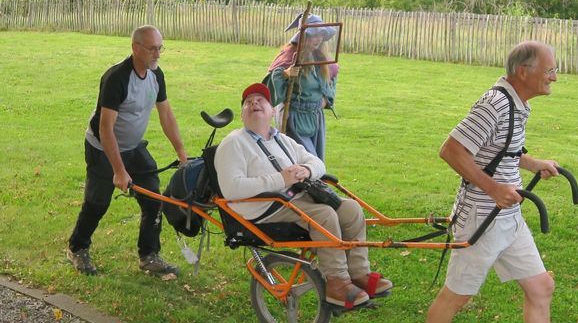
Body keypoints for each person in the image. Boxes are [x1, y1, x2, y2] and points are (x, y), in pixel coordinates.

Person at [214, 82, 392, 308]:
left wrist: (307, 170)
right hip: (263, 207)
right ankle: (337, 283)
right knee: (324, 214)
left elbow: (316, 162)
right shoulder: (234, 143)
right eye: (248, 102)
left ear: (272, 111)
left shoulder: (282, 139)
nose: (254, 103)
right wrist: (281, 179)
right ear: (242, 115)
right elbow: (232, 188)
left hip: (293, 198)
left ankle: (359, 274)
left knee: (351, 209)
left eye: (261, 101)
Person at [426, 41, 560, 323]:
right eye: (549, 70)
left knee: (541, 287)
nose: (554, 77)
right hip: (482, 217)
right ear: (524, 72)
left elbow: (501, 149)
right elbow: (451, 150)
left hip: (508, 216)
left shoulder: (518, 104)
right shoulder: (496, 103)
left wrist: (534, 163)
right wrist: (494, 188)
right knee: (457, 296)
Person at [67, 25, 188, 276]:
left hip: (133, 147)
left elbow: (166, 114)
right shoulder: (117, 78)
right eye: (152, 48)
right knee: (97, 202)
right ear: (135, 48)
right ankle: (77, 248)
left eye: (160, 48)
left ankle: (149, 256)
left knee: (154, 199)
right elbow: (105, 128)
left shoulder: (156, 75)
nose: (158, 54)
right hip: (102, 146)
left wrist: (182, 153)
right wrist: (119, 171)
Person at [266, 13, 339, 160]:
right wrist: (285, 74)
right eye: (314, 35)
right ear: (303, 36)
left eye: (321, 35)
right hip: (294, 117)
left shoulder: (320, 57)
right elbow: (269, 88)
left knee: (316, 163)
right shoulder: (289, 57)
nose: (319, 39)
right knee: (305, 162)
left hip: (315, 117)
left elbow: (331, 80)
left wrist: (325, 100)